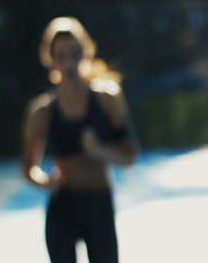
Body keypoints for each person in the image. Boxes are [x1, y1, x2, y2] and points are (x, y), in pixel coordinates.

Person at [21, 16, 137, 263]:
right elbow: (29, 168)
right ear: (51, 60)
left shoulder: (107, 99)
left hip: (99, 205)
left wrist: (99, 150)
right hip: (63, 208)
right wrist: (45, 181)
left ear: (85, 53)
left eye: (75, 53)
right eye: (61, 56)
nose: (69, 62)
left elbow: (129, 157)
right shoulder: (41, 111)